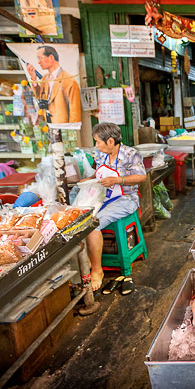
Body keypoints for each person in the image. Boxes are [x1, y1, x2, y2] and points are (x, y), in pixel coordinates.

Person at [83, 123, 147, 291]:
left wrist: (118, 180)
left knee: (93, 224)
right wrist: (88, 180)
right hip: (104, 196)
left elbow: (141, 177)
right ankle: (89, 259)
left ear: (110, 141)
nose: (96, 145)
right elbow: (99, 173)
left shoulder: (131, 154)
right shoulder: (100, 154)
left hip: (126, 199)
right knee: (80, 218)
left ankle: (98, 270)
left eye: (98, 142)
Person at [27, 45, 82, 124]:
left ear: (51, 57)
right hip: (48, 123)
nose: (38, 62)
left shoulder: (69, 80)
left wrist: (71, 128)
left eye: (40, 58)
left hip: (62, 124)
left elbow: (75, 112)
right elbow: (40, 98)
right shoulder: (45, 78)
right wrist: (34, 79)